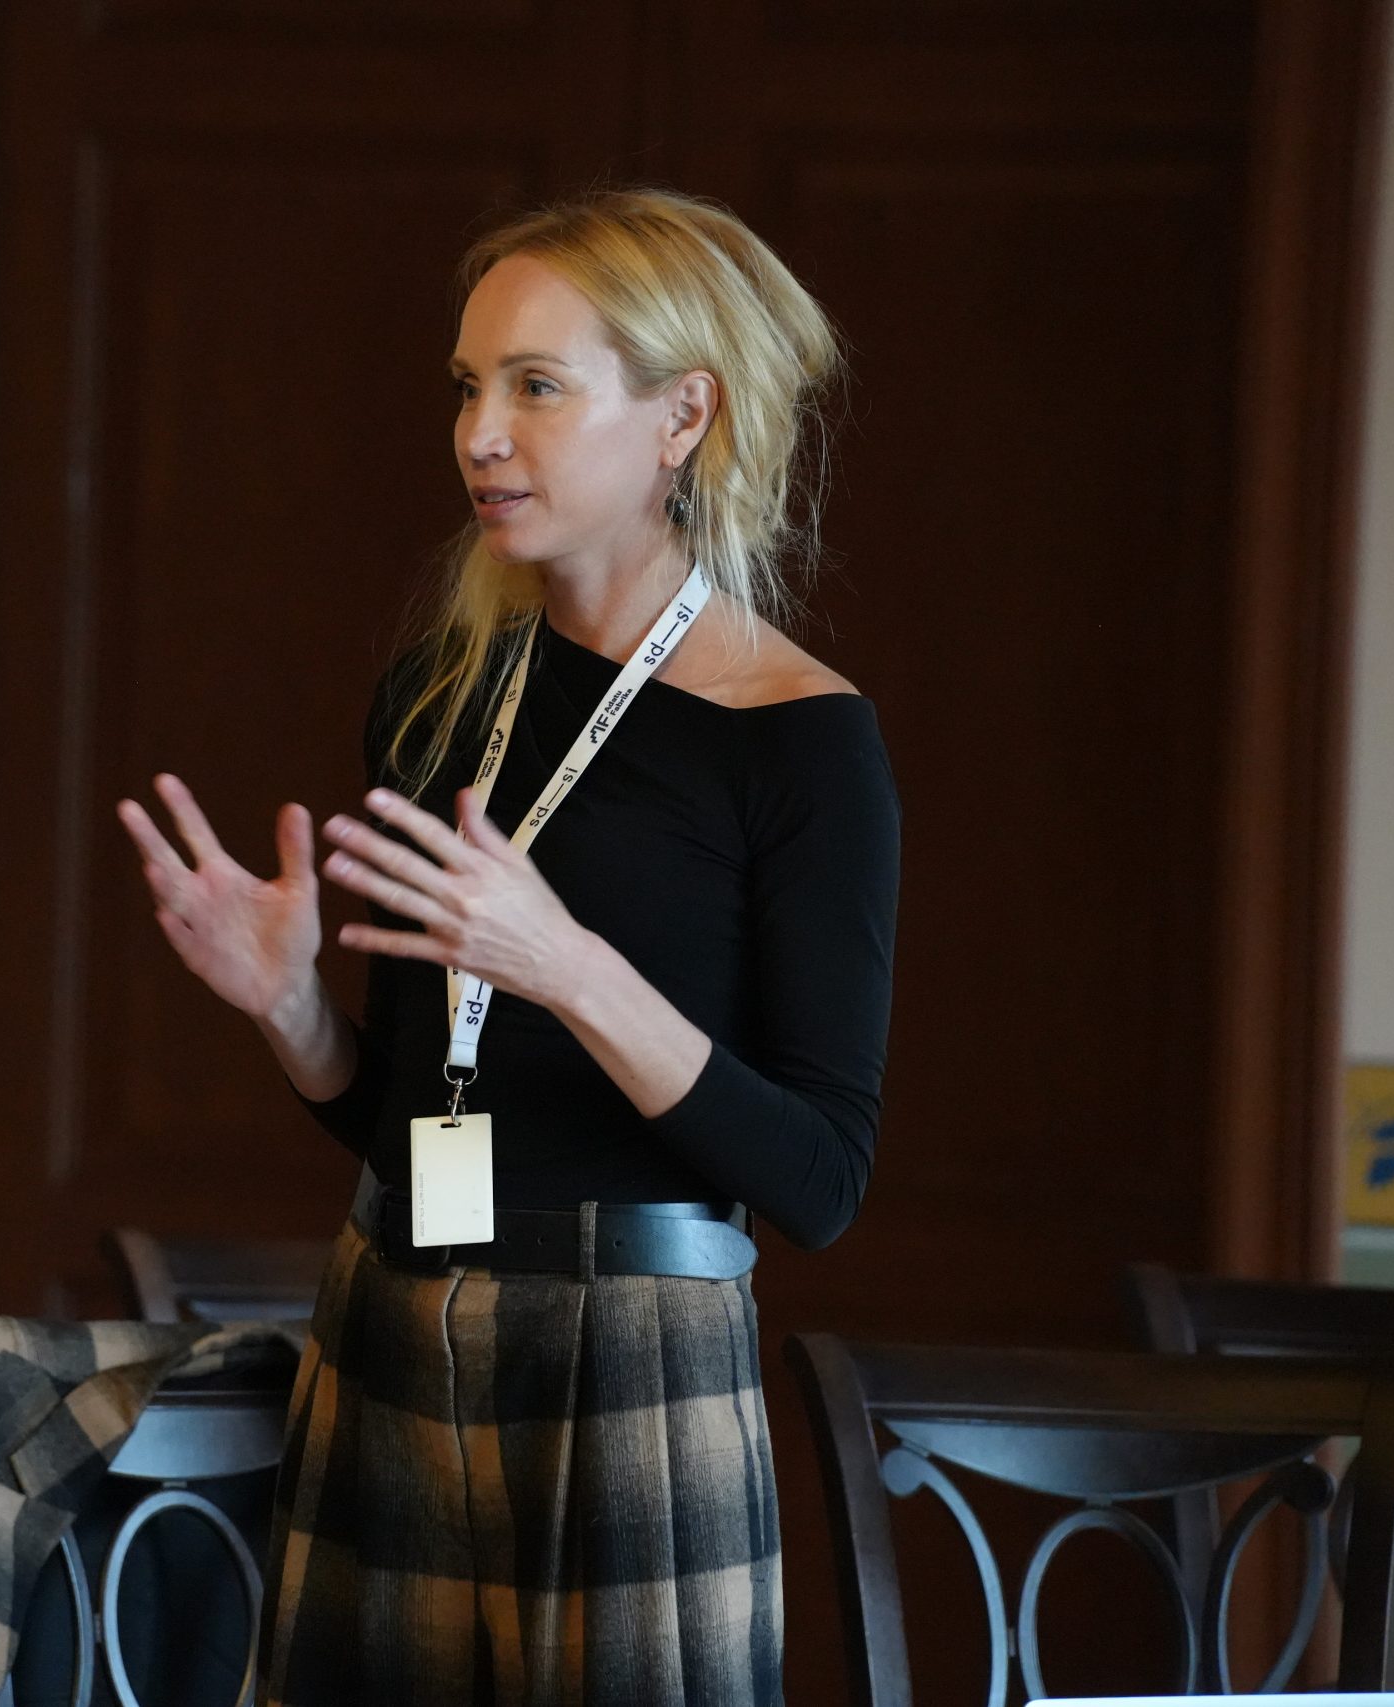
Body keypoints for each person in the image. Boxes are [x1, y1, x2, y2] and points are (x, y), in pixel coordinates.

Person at [113, 186, 899, 1707]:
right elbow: (418, 1116)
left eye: (537, 387)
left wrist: (570, 966)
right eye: (469, 387)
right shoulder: (443, 695)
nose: (480, 434)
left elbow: (819, 1179)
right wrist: (291, 1009)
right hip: (393, 1309)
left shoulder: (802, 741)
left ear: (684, 417)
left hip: (637, 1365)